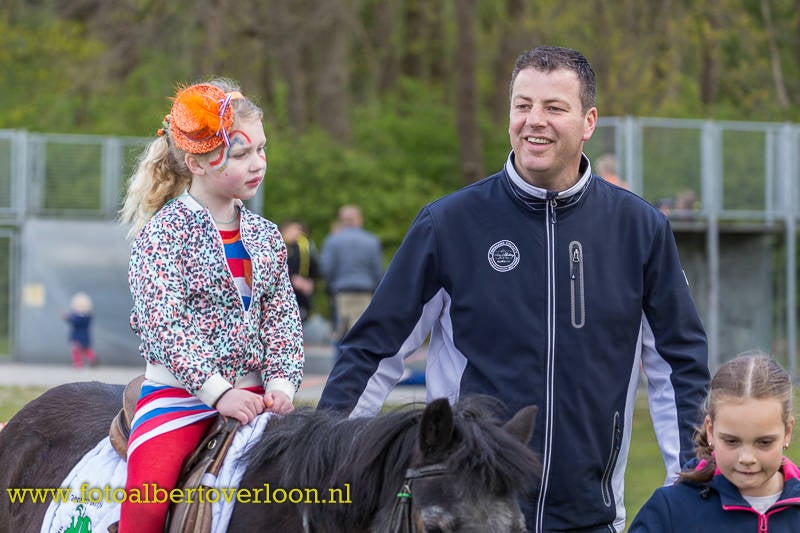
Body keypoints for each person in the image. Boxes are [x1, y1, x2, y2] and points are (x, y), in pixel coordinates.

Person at [317, 46, 709, 533]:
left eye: (553, 107)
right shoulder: (449, 224)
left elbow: (679, 366)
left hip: (591, 518)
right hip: (470, 517)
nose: (534, 121)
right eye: (522, 105)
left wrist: (693, 487)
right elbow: (372, 352)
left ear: (588, 121)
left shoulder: (640, 229)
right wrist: (325, 472)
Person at [117, 78, 304, 532]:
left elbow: (281, 316)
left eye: (261, 149)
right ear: (198, 161)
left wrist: (281, 383)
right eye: (241, 154)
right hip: (179, 398)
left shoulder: (264, 235)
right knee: (145, 503)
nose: (258, 163)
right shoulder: (163, 235)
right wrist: (218, 392)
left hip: (259, 397)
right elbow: (165, 324)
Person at [629, 353, 800, 531]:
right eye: (732, 441)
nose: (747, 458)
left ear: (787, 432)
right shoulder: (670, 510)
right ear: (710, 430)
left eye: (764, 442)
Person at [320, 204, 383, 342]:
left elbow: (326, 269)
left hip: (342, 293)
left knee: (340, 335)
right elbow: (377, 270)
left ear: (341, 220)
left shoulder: (332, 240)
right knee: (362, 335)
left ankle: (339, 363)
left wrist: (332, 287)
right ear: (359, 220)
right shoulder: (372, 241)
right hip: (365, 293)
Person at [280, 218, 321, 322]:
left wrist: (310, 282)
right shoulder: (277, 244)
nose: (297, 233)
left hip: (299, 295)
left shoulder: (304, 246)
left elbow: (314, 267)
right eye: (293, 230)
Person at [63, 291, 97, 368]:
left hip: (78, 336)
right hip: (85, 336)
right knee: (85, 350)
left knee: (76, 350)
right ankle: (92, 358)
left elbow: (75, 320)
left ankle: (78, 363)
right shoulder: (88, 316)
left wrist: (67, 317)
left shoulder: (80, 317)